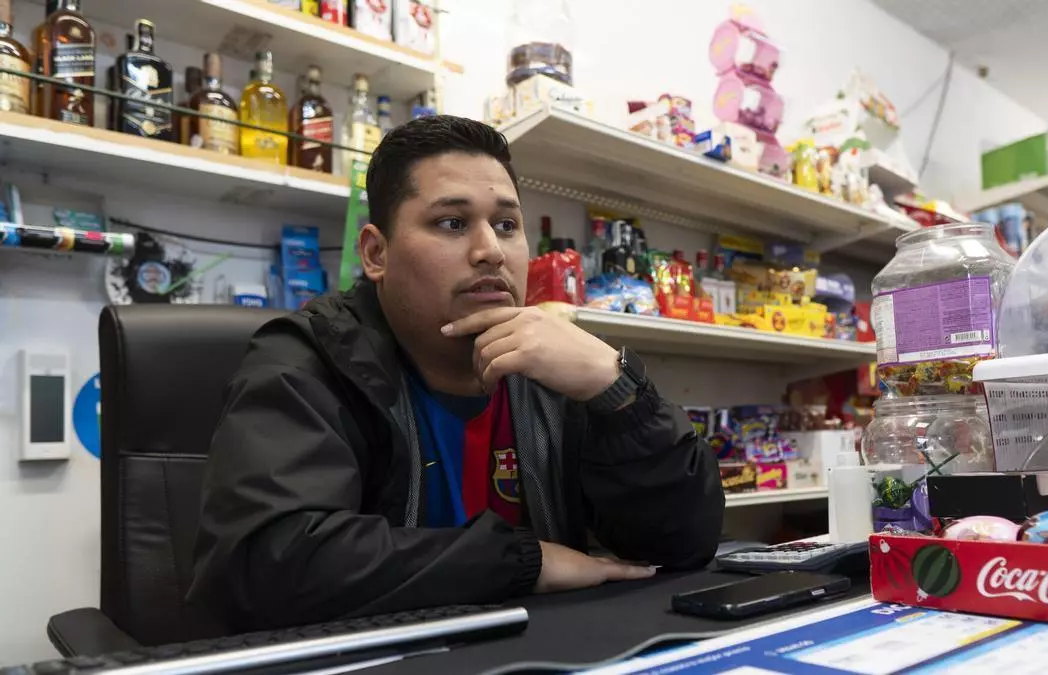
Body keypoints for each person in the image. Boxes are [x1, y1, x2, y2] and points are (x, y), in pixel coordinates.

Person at [189, 115, 724, 632]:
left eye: (507, 225)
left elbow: (683, 543)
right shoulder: (308, 359)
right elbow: (265, 568)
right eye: (452, 223)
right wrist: (524, 562)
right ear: (376, 253)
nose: (490, 251)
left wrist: (618, 390)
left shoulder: (559, 368)